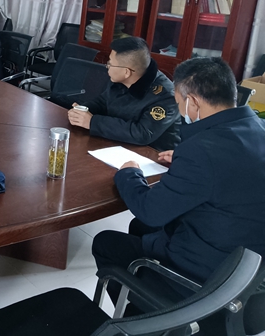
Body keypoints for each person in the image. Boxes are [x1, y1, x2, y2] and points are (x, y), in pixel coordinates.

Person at [92, 57, 265, 309]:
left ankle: (144, 317)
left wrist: (129, 173)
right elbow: (235, 167)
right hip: (249, 263)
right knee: (139, 227)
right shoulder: (258, 128)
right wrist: (187, 163)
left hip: (207, 274)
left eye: (178, 102)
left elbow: (150, 211)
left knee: (106, 242)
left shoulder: (201, 150)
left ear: (192, 101)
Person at [68, 37, 180, 151]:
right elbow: (104, 101)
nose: (107, 67)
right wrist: (82, 111)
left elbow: (142, 133)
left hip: (151, 154)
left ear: (126, 72)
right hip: (116, 144)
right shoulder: (121, 79)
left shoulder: (166, 97)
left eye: (110, 64)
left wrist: (93, 122)